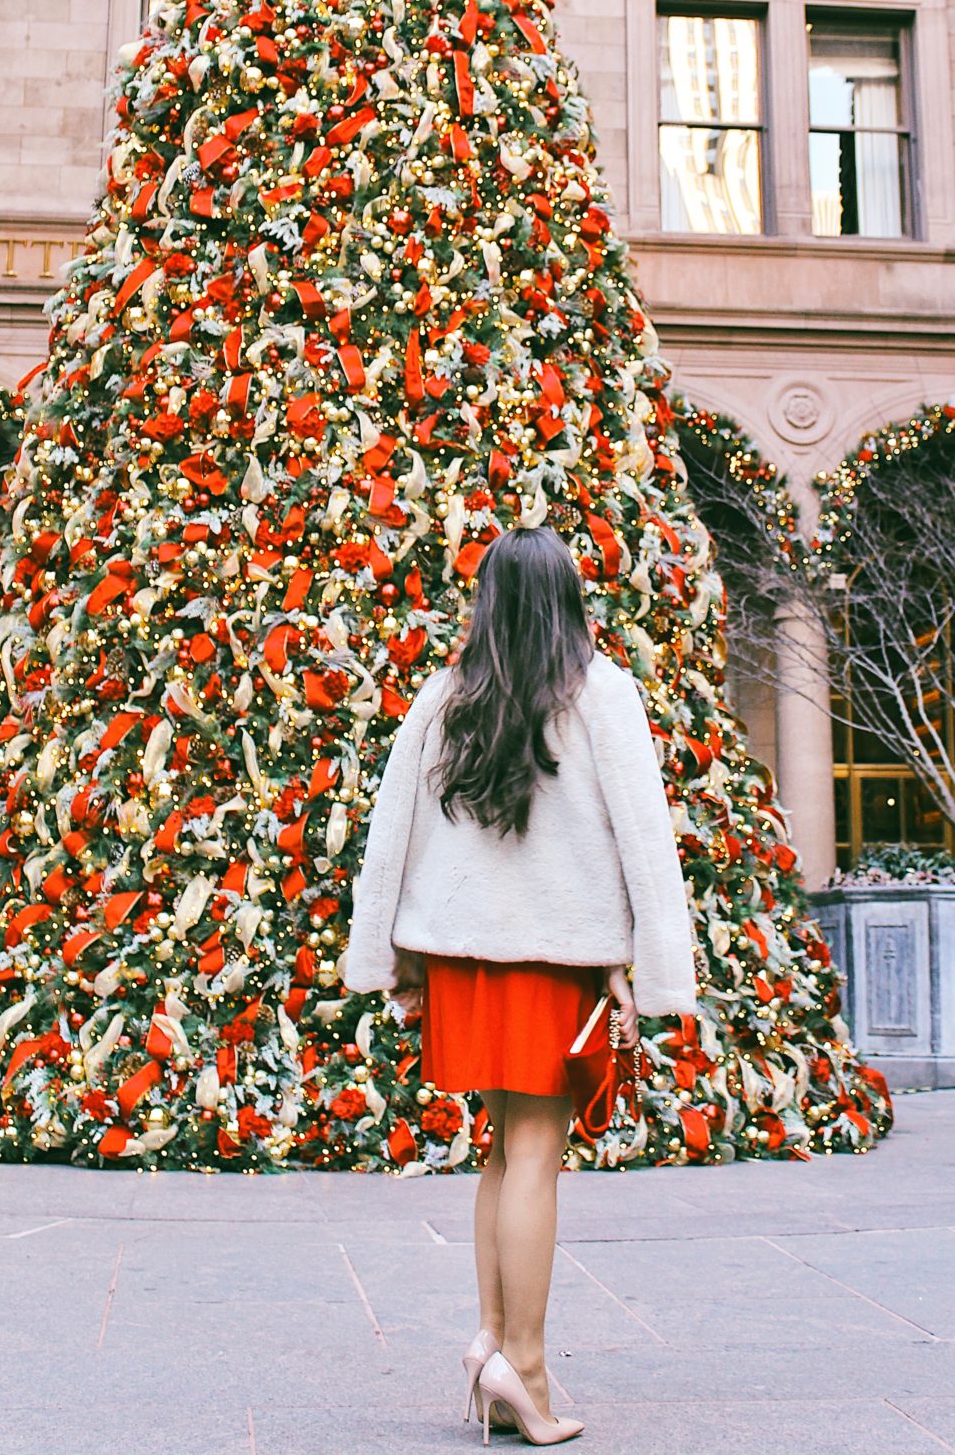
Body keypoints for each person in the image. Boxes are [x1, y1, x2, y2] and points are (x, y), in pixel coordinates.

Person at [346, 524, 696, 1446]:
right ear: (569, 598)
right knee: (537, 1155)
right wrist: (644, 968)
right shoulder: (601, 693)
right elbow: (643, 840)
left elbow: (395, 832)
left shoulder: (447, 695)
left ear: (488, 602)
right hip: (556, 956)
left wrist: (395, 957)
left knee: (502, 1154)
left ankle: (494, 1341)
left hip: (464, 956)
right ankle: (526, 1370)